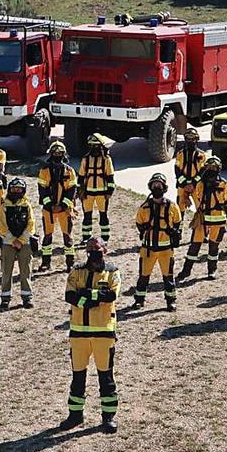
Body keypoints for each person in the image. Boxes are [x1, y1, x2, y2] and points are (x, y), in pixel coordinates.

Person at [60, 236, 120, 433]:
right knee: (78, 376)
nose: (93, 252)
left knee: (106, 376)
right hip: (79, 333)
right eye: (90, 249)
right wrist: (92, 300)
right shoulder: (76, 271)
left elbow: (111, 295)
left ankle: (108, 416)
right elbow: (69, 295)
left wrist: (86, 294)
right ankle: (75, 415)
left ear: (105, 250)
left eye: (97, 248)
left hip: (104, 333)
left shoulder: (112, 272)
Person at [133, 172, 183, 311]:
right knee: (143, 276)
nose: (157, 187)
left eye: (159, 185)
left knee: (168, 277)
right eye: (154, 185)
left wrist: (174, 235)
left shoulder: (172, 207)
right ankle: (139, 300)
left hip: (166, 250)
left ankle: (170, 301)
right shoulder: (144, 207)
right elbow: (139, 223)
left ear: (164, 188)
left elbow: (178, 223)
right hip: (148, 249)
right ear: (150, 187)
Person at [177, 156, 227, 282]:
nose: (211, 170)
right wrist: (185, 197)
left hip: (217, 220)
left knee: (213, 248)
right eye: (209, 167)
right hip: (201, 220)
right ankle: (186, 271)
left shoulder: (224, 184)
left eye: (214, 168)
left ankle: (212, 270)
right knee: (194, 247)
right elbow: (189, 191)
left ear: (218, 169)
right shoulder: (200, 183)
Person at [0, 177, 37, 308]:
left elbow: (31, 224)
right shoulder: (4, 206)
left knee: (26, 271)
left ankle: (27, 297)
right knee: (7, 271)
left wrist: (22, 240)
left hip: (25, 243)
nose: (16, 192)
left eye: (19, 189)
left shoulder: (27, 205)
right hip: (8, 243)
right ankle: (5, 298)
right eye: (14, 189)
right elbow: (1, 226)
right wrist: (13, 240)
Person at [37, 140, 79, 272]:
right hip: (48, 210)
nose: (57, 155)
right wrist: (50, 205)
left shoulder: (70, 171)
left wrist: (62, 206)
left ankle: (70, 263)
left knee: (67, 236)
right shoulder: (44, 171)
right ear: (51, 154)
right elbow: (42, 189)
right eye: (55, 153)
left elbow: (72, 190)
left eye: (60, 153)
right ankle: (46, 262)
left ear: (64, 155)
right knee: (47, 236)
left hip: (65, 209)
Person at [78, 133, 116, 241]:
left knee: (103, 215)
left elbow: (110, 177)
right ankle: (86, 237)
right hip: (87, 193)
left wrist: (109, 191)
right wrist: (80, 190)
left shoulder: (106, 160)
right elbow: (81, 176)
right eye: (92, 145)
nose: (94, 148)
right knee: (87, 216)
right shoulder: (85, 159)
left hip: (102, 193)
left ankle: (105, 237)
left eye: (96, 146)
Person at [174, 127, 206, 214]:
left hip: (196, 186)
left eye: (192, 138)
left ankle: (200, 226)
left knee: (200, 207)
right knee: (180, 206)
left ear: (196, 139)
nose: (190, 140)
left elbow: (202, 172)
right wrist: (185, 184)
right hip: (182, 185)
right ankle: (179, 226)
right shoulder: (180, 154)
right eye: (188, 138)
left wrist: (193, 183)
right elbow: (177, 170)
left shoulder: (201, 155)